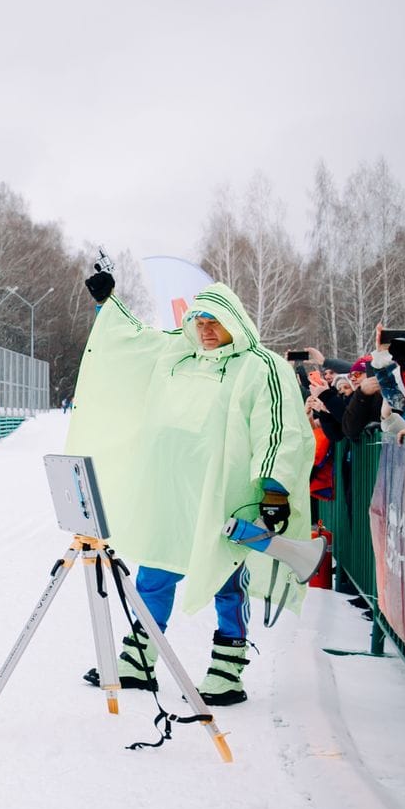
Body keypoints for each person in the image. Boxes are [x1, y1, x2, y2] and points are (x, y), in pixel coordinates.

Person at [67, 265, 310, 706]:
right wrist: (107, 304)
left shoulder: (261, 367)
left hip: (224, 497)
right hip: (170, 495)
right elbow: (135, 345)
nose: (205, 330)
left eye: (214, 322)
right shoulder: (178, 357)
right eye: (199, 322)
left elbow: (279, 430)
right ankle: (140, 659)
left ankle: (227, 671)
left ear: (233, 322)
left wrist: (274, 491)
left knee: (225, 578)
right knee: (155, 571)